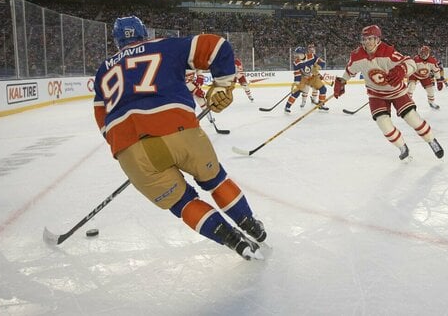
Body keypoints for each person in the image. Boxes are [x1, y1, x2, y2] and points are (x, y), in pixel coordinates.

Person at [93, 16, 266, 261]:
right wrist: (221, 85)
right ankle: (252, 226)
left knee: (183, 203)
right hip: (178, 131)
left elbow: (101, 116)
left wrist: (125, 147)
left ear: (117, 40)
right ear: (144, 32)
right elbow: (217, 46)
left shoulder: (103, 70)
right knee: (215, 181)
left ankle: (234, 241)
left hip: (130, 150)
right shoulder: (164, 45)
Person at [333, 25, 444, 161]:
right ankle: (402, 147)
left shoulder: (388, 52)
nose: (367, 42)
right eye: (364, 39)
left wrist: (402, 69)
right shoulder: (357, 55)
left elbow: (410, 62)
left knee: (412, 118)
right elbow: (350, 70)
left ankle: (431, 140)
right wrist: (342, 81)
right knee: (383, 124)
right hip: (376, 95)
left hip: (397, 92)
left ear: (378, 39)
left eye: (370, 39)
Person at [285, 46, 329, 113]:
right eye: (297, 54)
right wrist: (297, 83)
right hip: (303, 78)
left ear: (303, 53)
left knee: (323, 89)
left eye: (299, 54)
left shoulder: (312, 56)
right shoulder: (296, 62)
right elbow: (297, 74)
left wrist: (317, 67)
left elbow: (322, 62)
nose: (297, 55)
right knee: (296, 92)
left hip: (313, 77)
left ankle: (321, 105)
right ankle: (287, 107)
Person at [407, 45, 447, 110]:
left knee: (430, 90)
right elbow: (410, 67)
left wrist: (439, 80)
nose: (422, 54)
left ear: (428, 53)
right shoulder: (416, 59)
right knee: (411, 87)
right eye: (422, 52)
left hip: (425, 76)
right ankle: (408, 102)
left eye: (424, 52)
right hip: (415, 75)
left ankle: (431, 102)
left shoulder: (432, 60)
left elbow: (436, 71)